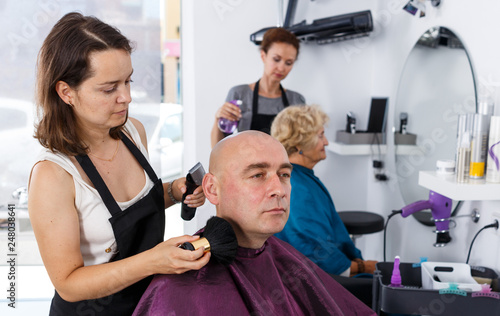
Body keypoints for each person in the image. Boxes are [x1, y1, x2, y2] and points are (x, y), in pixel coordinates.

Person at [28, 12, 210, 315]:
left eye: (128, 81)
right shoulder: (53, 174)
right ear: (66, 92)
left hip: (147, 301)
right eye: (109, 88)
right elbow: (68, 284)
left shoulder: (133, 132)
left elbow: (132, 206)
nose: (126, 97)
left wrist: (175, 191)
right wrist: (154, 261)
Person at [133, 131, 376, 315]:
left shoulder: (284, 258)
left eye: (284, 175)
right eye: (257, 175)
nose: (278, 190)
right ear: (211, 188)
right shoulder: (175, 288)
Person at [271, 105, 377, 277]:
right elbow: (312, 249)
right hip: (325, 278)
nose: (326, 142)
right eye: (320, 136)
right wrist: (362, 267)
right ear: (300, 144)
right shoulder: (298, 187)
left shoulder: (299, 177)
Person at [210, 27, 306, 147]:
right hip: (246, 164)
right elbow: (218, 147)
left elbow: (302, 148)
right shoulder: (239, 94)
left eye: (288, 63)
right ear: (263, 56)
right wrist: (217, 119)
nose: (281, 68)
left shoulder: (296, 100)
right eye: (276, 59)